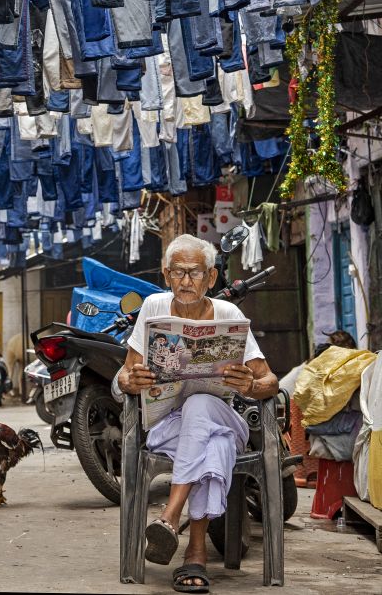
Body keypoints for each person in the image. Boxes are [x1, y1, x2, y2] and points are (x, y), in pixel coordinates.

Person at [115, 234, 278, 594]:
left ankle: (169, 518)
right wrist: (133, 380)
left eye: (195, 273)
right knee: (213, 446)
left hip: (221, 415)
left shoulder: (228, 314)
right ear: (165, 274)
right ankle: (195, 553)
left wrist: (249, 384)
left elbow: (271, 381)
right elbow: (125, 375)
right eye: (178, 272)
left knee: (201, 404)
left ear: (212, 277)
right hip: (169, 426)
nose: (186, 281)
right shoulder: (154, 307)